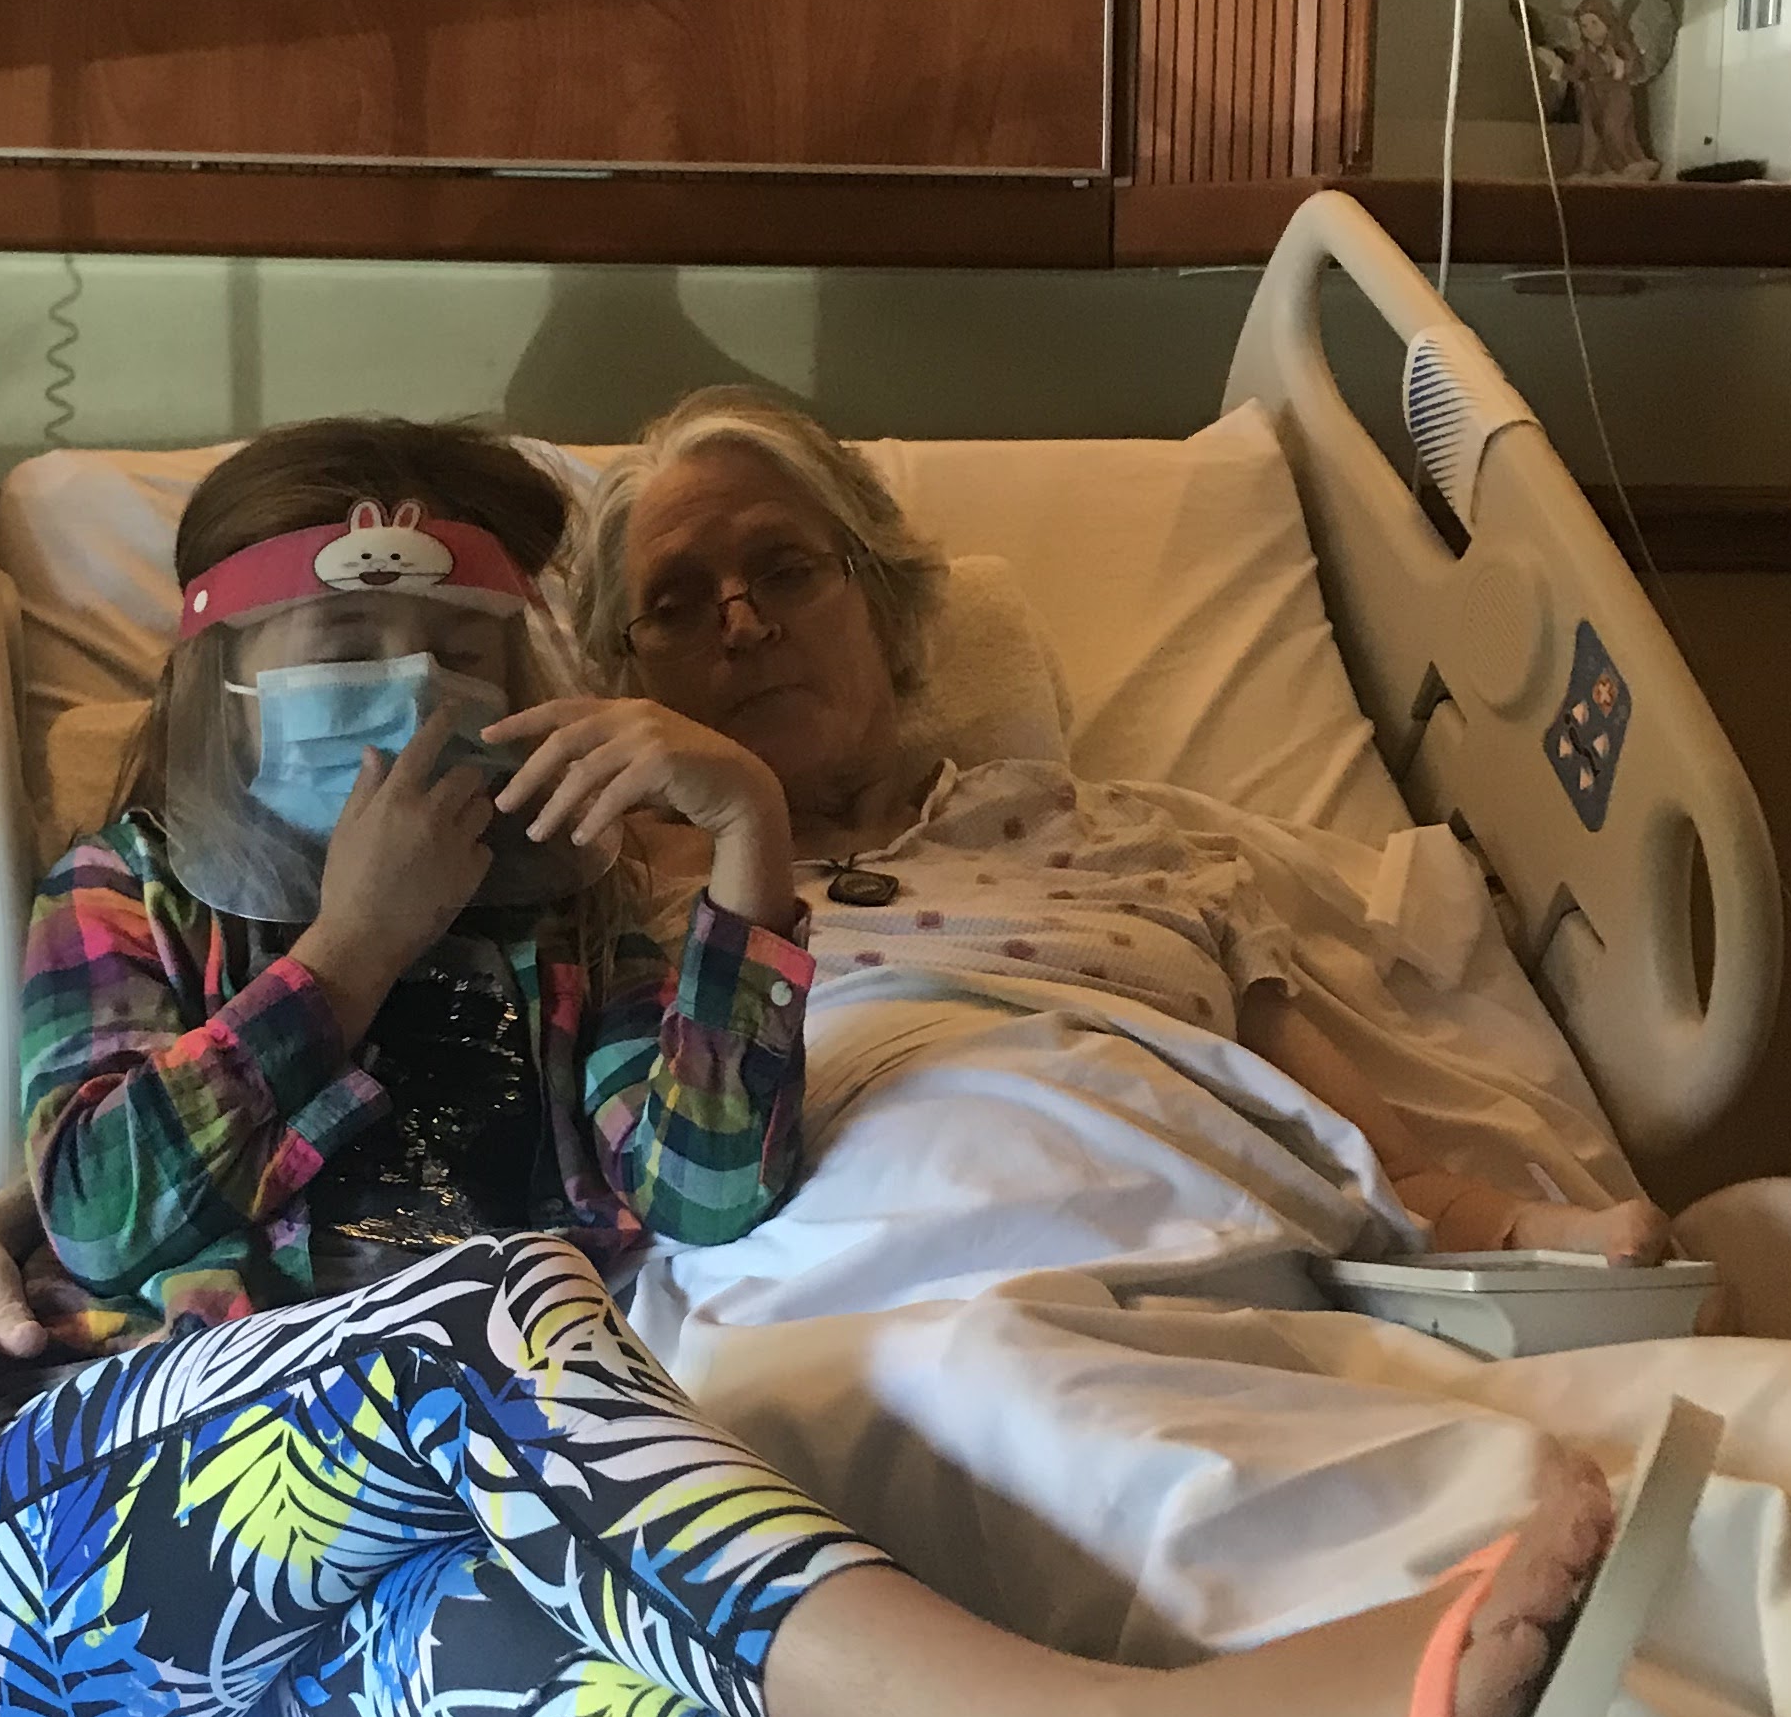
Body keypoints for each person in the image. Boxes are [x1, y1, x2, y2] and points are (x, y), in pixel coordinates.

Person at [0, 413, 1607, 1717]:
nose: (400, 704)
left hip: (368, 1595)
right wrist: (349, 951)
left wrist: (743, 841)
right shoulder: (132, 889)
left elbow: (708, 1183)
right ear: (226, 680)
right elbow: (97, 1209)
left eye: (451, 655)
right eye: (339, 654)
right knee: (495, 1310)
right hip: (98, 1560)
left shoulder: (573, 935)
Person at [557, 388, 1667, 1262]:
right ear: (625, 680)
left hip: (1209, 1239)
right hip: (874, 1278)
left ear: (887, 608)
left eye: (786, 571)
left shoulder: (1110, 835)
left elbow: (1396, 1178)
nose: (743, 625)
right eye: (678, 604)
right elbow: (688, 1192)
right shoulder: (617, 904)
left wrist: (1533, 1238)